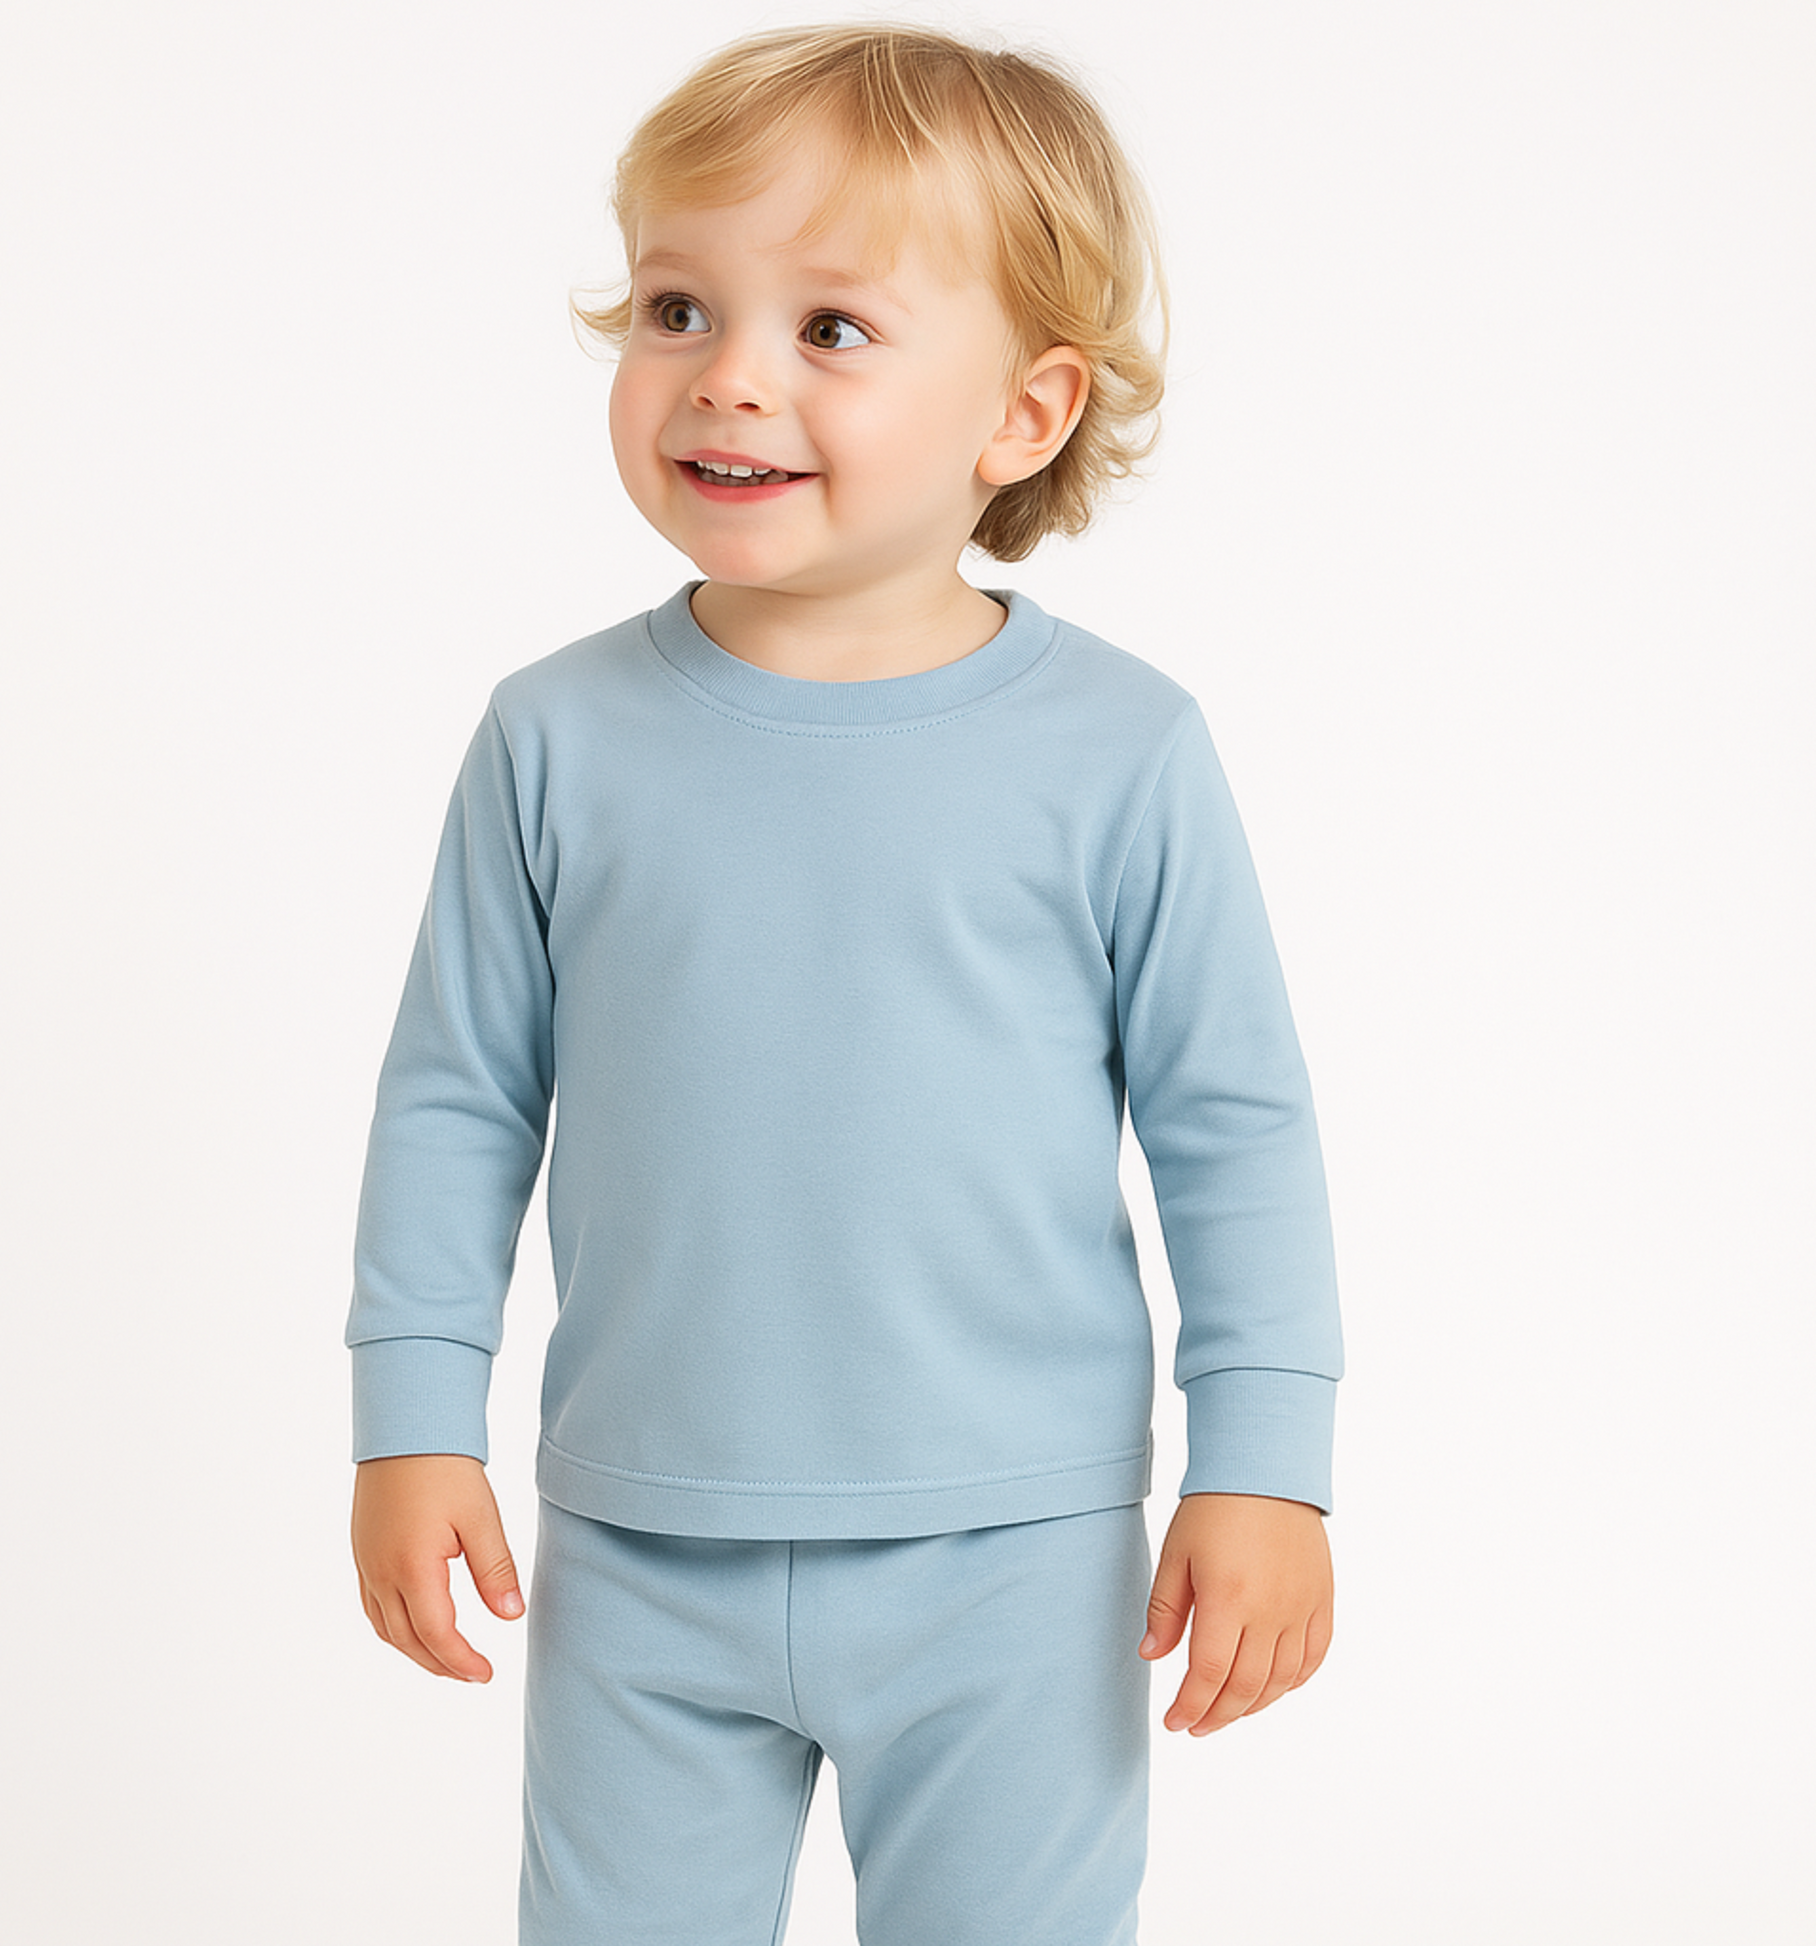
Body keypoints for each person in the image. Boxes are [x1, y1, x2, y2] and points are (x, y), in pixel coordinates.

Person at [346, 22, 1343, 1944]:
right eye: (677, 306)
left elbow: (1233, 1128)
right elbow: (456, 1099)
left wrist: (1268, 1469)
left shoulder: (1120, 750)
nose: (727, 374)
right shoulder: (553, 736)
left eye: (830, 327)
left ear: (1022, 414)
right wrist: (409, 1416)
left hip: (1014, 1552)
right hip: (639, 1541)